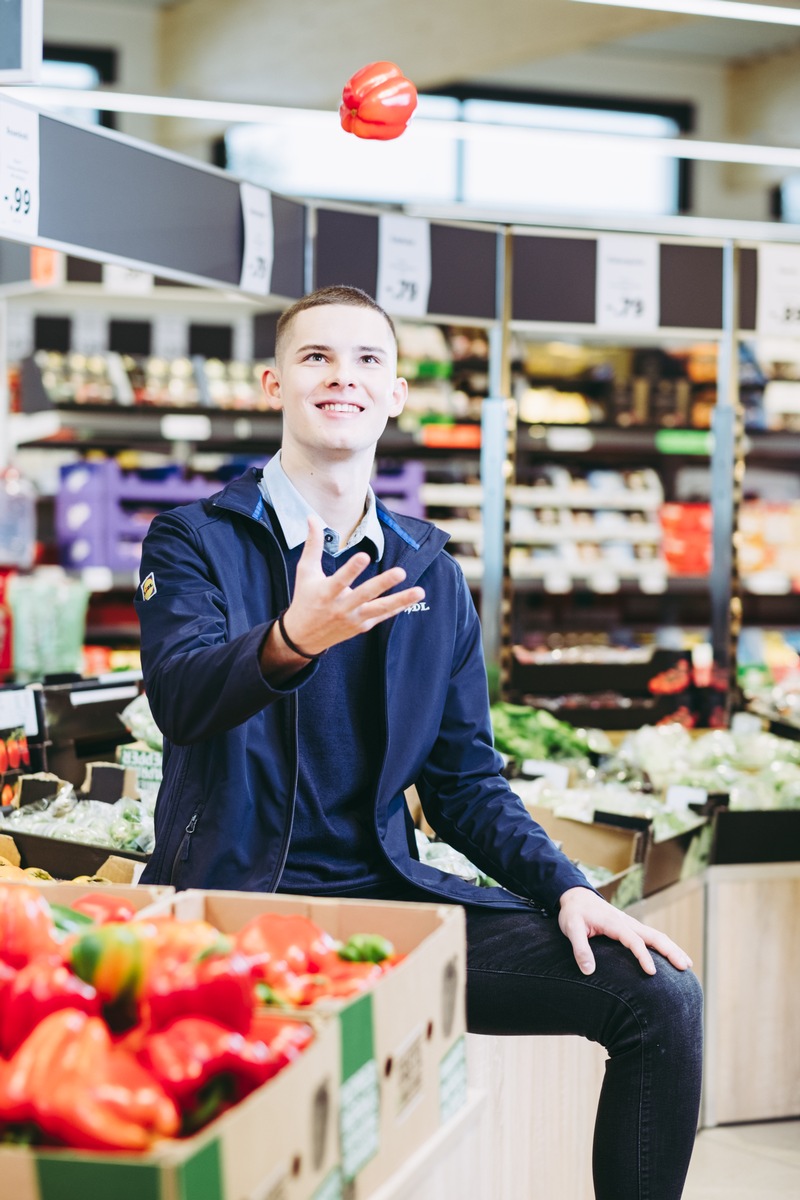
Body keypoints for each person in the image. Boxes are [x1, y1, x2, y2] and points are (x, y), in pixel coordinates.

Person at [135, 284, 703, 1200]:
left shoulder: (429, 569)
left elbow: (465, 784)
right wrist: (291, 641)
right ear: (275, 382)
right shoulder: (195, 540)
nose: (342, 378)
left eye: (367, 361)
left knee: (660, 996)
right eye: (316, 358)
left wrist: (565, 886)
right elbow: (181, 698)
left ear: (397, 394)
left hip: (389, 910)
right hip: (234, 907)